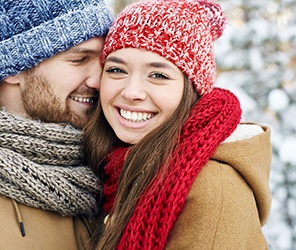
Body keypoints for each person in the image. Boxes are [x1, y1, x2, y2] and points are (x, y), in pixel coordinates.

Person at [84, 0, 272, 249]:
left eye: (158, 75)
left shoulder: (213, 190)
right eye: (117, 70)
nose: (132, 92)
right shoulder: (113, 168)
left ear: (192, 90)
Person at [0, 0, 113, 249]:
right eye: (80, 59)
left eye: (104, 61)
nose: (99, 80)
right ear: (14, 69)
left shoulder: (119, 170)